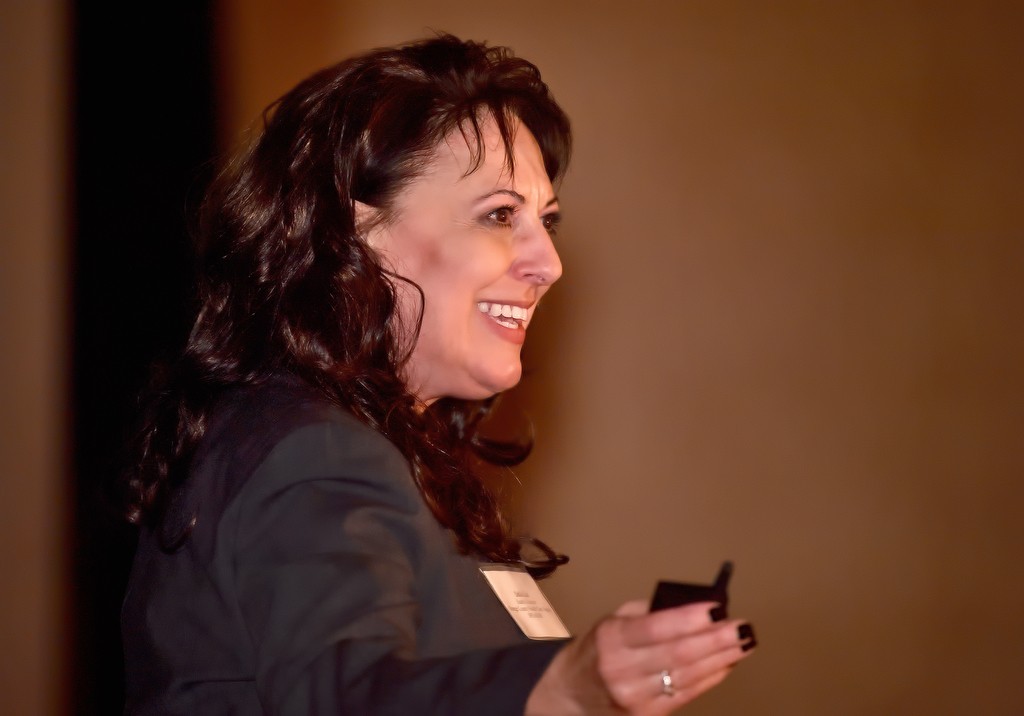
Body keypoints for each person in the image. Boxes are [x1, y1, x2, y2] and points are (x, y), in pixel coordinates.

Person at [120, 34, 756, 715]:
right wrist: (569, 688)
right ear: (356, 236)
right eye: (500, 215)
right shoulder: (315, 451)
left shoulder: (367, 458)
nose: (549, 262)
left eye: (546, 221)